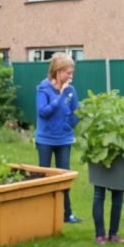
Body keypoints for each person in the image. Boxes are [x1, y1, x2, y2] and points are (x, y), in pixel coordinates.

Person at [35, 53, 80, 223]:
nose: (71, 76)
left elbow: (76, 113)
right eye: (68, 72)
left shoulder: (71, 90)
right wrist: (60, 96)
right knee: (44, 178)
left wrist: (67, 125)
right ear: (58, 71)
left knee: (64, 177)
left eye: (71, 72)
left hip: (64, 140)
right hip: (45, 139)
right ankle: (43, 213)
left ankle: (66, 214)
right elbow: (43, 112)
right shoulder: (43, 89)